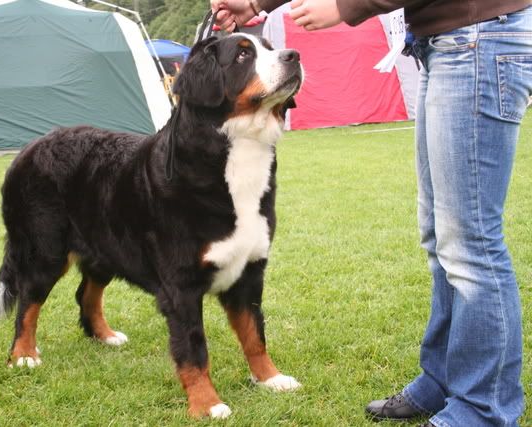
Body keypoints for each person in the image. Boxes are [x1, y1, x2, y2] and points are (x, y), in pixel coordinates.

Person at [211, 1, 532, 426]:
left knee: (470, 241)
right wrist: (254, 4)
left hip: (477, 36)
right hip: (447, 43)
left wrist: (348, 5)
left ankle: (484, 407)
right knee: (441, 238)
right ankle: (442, 380)